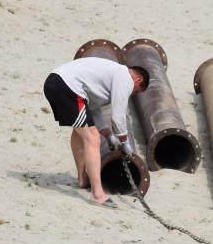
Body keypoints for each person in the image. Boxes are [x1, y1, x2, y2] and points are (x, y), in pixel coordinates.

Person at [43, 57, 149, 207]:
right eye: (136, 92)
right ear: (138, 79)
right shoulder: (125, 77)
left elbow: (93, 109)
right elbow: (118, 116)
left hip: (55, 82)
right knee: (92, 138)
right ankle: (98, 195)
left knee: (80, 132)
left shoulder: (109, 76)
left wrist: (108, 135)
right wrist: (124, 142)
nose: (133, 94)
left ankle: (82, 179)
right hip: (67, 87)